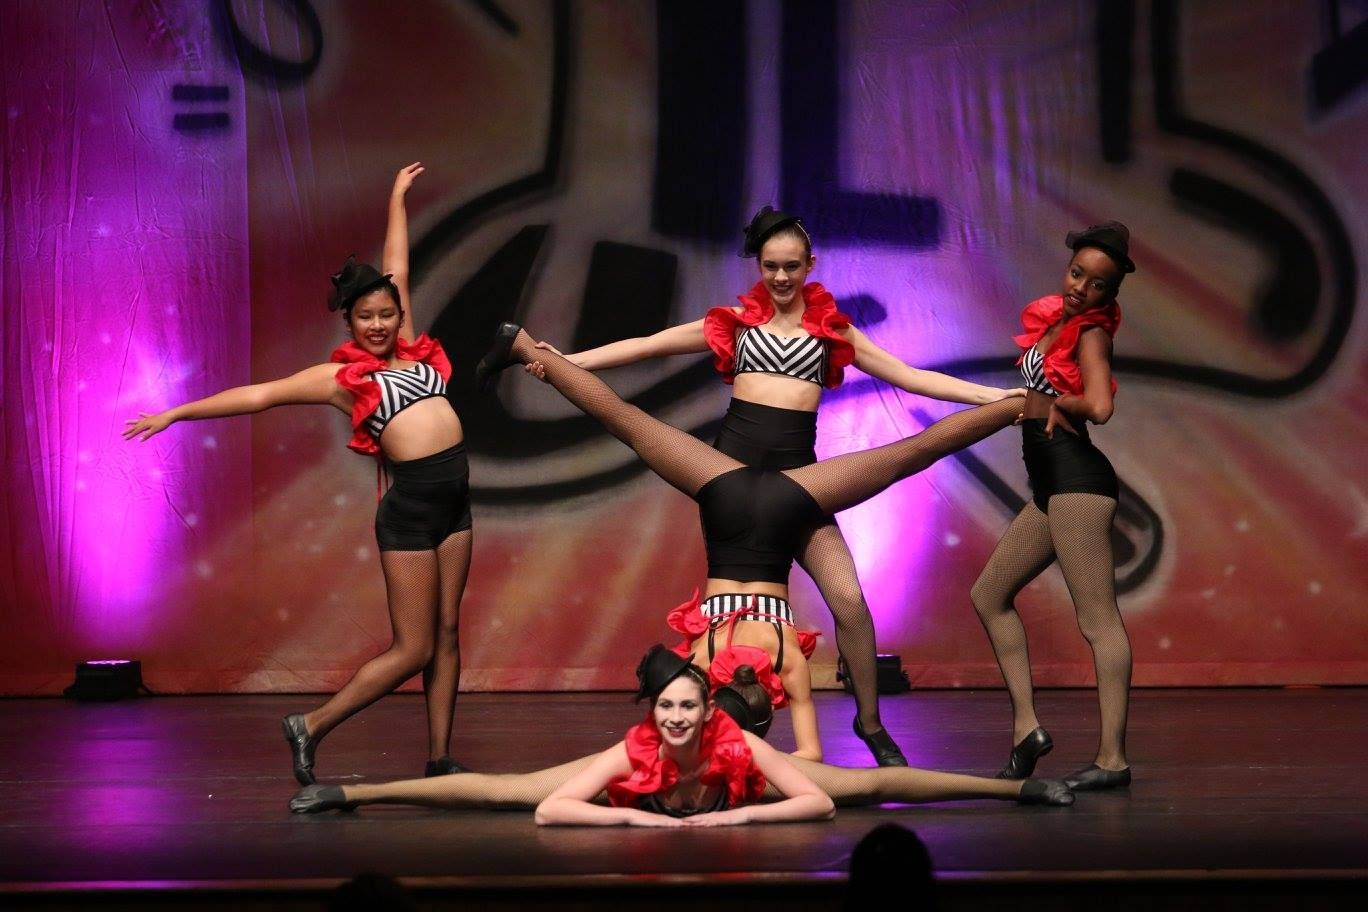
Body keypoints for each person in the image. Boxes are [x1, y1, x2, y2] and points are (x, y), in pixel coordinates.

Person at [534, 206, 1023, 766]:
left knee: (850, 602)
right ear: (758, 265)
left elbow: (911, 376)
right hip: (732, 479)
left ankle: (870, 724)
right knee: (728, 597)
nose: (782, 278)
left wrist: (992, 398)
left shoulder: (832, 331)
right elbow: (649, 344)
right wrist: (566, 362)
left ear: (811, 265)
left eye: (792, 266)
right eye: (771, 267)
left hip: (798, 485)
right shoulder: (736, 324)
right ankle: (712, 714)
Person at [124, 164, 472, 783]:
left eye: (386, 313)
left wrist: (395, 195)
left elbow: (400, 265)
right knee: (413, 647)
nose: (379, 324)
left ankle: (440, 758)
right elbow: (260, 396)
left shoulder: (414, 347)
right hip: (413, 511)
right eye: (365, 316)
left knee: (447, 635)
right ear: (349, 322)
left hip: (458, 505)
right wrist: (178, 411)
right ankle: (310, 725)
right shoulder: (340, 380)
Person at [289, 645, 1074, 821]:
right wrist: (632, 818)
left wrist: (732, 818)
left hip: (745, 787)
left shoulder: (737, 740)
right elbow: (549, 811)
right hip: (647, 795)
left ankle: (1014, 785)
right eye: (664, 709)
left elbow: (820, 807)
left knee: (868, 785)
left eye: (687, 709)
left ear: (707, 712)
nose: (675, 719)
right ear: (650, 712)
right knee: (502, 791)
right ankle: (355, 790)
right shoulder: (631, 749)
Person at [969, 222, 1135, 791]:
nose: (1080, 287)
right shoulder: (1054, 322)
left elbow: (1099, 407)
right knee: (989, 594)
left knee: (1098, 623)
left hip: (1078, 485)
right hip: (1051, 488)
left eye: (1096, 284)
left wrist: (1052, 403)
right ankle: (1026, 728)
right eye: (1076, 273)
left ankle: (1113, 760)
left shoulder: (1090, 334)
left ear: (1109, 297)